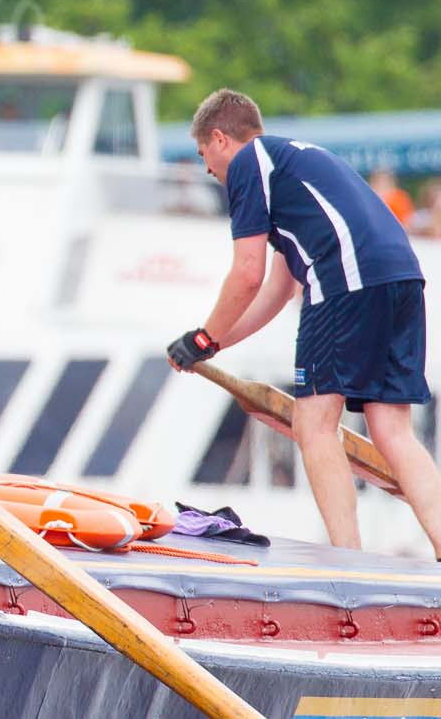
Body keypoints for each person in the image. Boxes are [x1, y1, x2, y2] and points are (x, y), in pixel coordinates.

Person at [168, 88, 441, 554]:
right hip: (403, 280)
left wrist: (203, 336)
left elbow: (247, 273)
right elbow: (277, 289)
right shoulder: (294, 164)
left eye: (202, 154)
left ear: (219, 138)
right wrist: (212, 344)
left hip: (347, 282)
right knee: (392, 431)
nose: (207, 169)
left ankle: (347, 560)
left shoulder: (249, 163)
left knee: (312, 424)